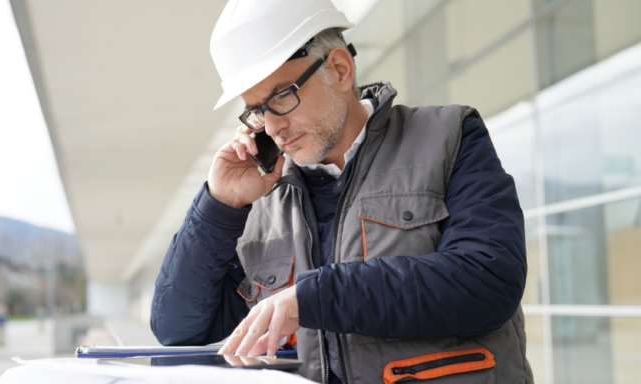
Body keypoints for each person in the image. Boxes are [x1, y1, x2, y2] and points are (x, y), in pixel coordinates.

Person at [151, 1, 533, 383]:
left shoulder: (448, 136)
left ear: (339, 69)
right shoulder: (259, 201)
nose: (273, 128)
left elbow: (489, 281)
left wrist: (315, 298)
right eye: (256, 110)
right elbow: (178, 330)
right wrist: (220, 205)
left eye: (282, 96)